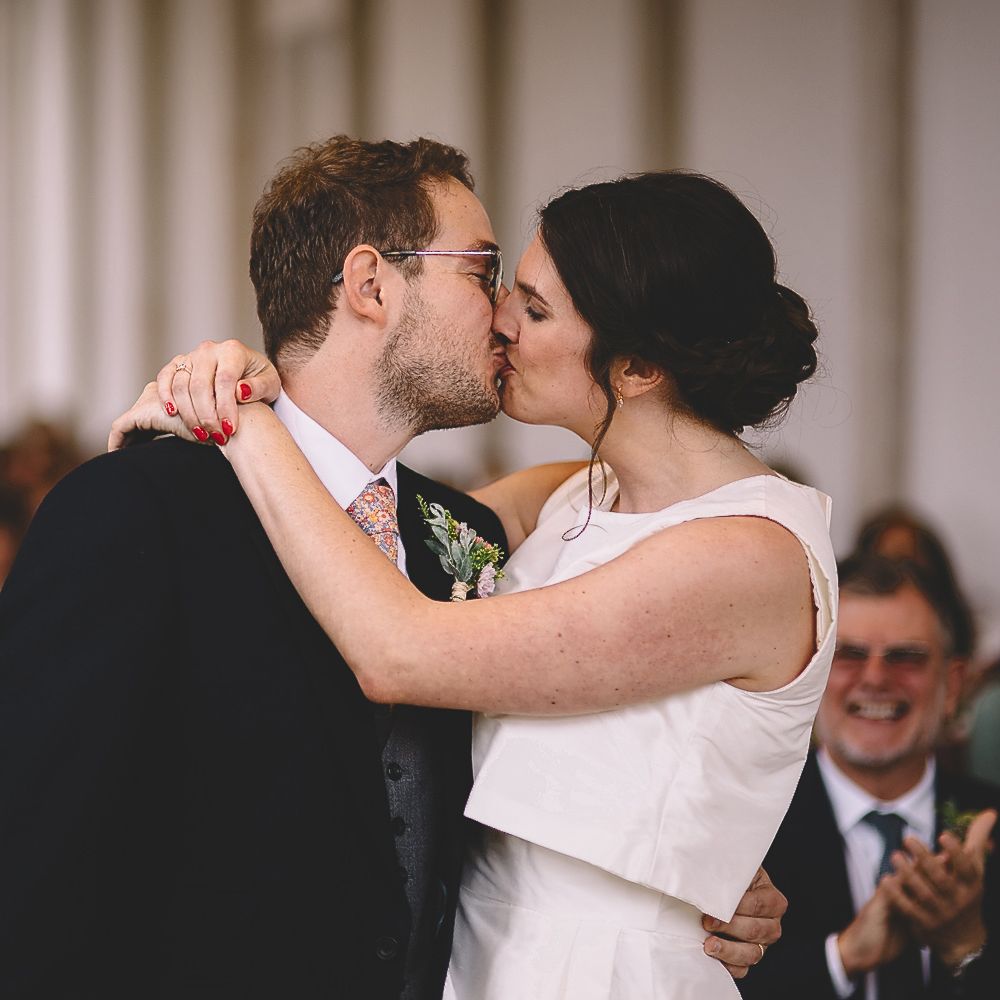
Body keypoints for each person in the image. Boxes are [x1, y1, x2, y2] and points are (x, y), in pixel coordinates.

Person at [0, 138, 776, 1000]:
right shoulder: (135, 511)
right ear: (371, 285)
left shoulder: (471, 534)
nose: (503, 314)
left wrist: (689, 878)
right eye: (482, 272)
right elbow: (34, 851)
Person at [738, 554, 999, 1000]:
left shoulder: (988, 820)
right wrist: (841, 958)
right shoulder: (746, 827)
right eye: (850, 655)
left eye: (906, 657)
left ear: (953, 686)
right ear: (811, 673)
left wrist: (966, 945)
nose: (875, 678)